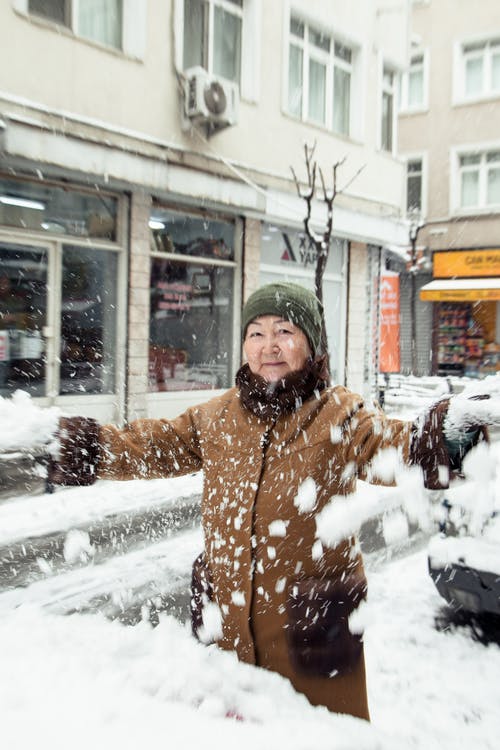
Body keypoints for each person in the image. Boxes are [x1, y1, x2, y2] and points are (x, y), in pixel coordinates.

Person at [48, 282, 487, 721]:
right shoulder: (218, 416)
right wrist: (77, 446)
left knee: (314, 736)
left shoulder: (338, 414)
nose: (268, 346)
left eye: (284, 331)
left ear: (310, 345)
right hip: (225, 630)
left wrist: (450, 432)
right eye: (255, 333)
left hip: (307, 632)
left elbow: (393, 447)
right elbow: (150, 446)